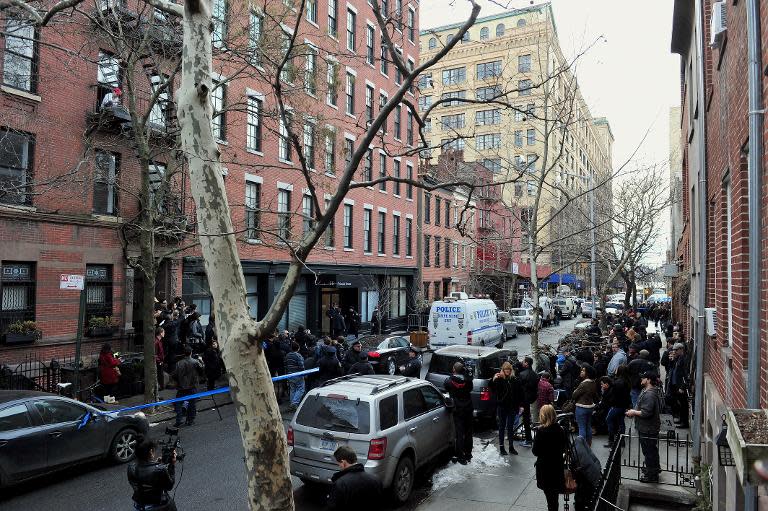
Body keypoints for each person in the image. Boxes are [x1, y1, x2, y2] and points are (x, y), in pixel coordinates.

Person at [626, 370, 662, 483]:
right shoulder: (646, 390)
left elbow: (646, 413)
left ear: (649, 380)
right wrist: (634, 411)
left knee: (649, 451)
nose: (641, 379)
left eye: (643, 377)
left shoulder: (650, 394)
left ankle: (652, 475)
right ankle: (654, 469)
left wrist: (633, 413)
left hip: (648, 428)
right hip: (645, 427)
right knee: (650, 450)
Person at [326, 445, 382, 510]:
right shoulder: (376, 480)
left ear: (343, 462)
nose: (339, 466)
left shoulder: (341, 484)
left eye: (339, 463)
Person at [532, 404, 566, 511]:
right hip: (557, 468)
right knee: (553, 499)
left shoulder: (541, 432)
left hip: (545, 470)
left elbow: (535, 451)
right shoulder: (560, 430)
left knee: (550, 499)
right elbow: (563, 447)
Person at [127, 439, 177, 511]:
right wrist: (172, 465)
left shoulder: (131, 467)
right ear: (150, 451)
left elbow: (144, 475)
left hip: (140, 505)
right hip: (158, 506)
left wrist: (155, 463)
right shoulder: (159, 469)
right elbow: (169, 486)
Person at [490, 361, 523, 455]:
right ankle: (501, 447)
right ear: (503, 370)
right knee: (502, 427)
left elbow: (519, 393)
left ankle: (511, 447)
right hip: (502, 407)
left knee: (510, 427)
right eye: (505, 369)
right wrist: (494, 379)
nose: (507, 371)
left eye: (509, 369)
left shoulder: (514, 380)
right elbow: (493, 389)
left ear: (511, 370)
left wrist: (520, 405)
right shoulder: (499, 379)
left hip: (512, 407)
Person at [444, 362, 474, 464]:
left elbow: (446, 386)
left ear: (454, 370)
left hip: (458, 409)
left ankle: (460, 456)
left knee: (459, 434)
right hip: (468, 408)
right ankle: (468, 454)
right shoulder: (468, 381)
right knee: (469, 432)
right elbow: (470, 387)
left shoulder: (450, 381)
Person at [171, 346, 201, 427]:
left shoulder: (179, 363)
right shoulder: (195, 362)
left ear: (184, 354)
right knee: (192, 404)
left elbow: (174, 375)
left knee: (178, 404)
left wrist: (179, 381)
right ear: (191, 353)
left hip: (182, 387)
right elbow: (202, 371)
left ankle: (179, 420)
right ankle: (190, 420)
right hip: (192, 386)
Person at [571, 364, 599, 446]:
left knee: (581, 427)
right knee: (588, 426)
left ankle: (581, 446)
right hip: (590, 407)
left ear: (587, 373)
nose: (581, 372)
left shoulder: (583, 384)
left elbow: (574, 395)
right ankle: (588, 444)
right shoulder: (593, 383)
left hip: (581, 407)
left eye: (583, 371)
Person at [572, 436, 602, 511]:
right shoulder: (580, 441)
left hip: (591, 481)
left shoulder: (577, 452)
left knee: (582, 486)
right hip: (595, 476)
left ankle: (582, 503)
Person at [517, 356, 539, 447]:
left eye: (523, 361)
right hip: (531, 399)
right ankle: (528, 439)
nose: (522, 362)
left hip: (524, 400)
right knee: (527, 419)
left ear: (526, 363)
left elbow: (519, 389)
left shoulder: (522, 374)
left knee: (525, 420)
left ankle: (528, 440)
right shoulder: (534, 375)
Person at [669, 342, 690, 428]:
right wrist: (672, 360)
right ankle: (681, 420)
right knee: (679, 404)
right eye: (673, 350)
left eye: (676, 350)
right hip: (675, 385)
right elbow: (673, 369)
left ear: (681, 349)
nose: (674, 352)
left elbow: (686, 374)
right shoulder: (678, 358)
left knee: (683, 405)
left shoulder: (684, 359)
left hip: (680, 386)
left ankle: (684, 423)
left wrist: (682, 387)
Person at [284, 341, 305, 410]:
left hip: (289, 374)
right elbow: (301, 366)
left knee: (292, 389)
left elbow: (285, 365)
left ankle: (292, 404)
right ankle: (294, 403)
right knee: (301, 388)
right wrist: (304, 373)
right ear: (298, 348)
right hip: (297, 374)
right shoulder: (298, 355)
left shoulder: (287, 355)